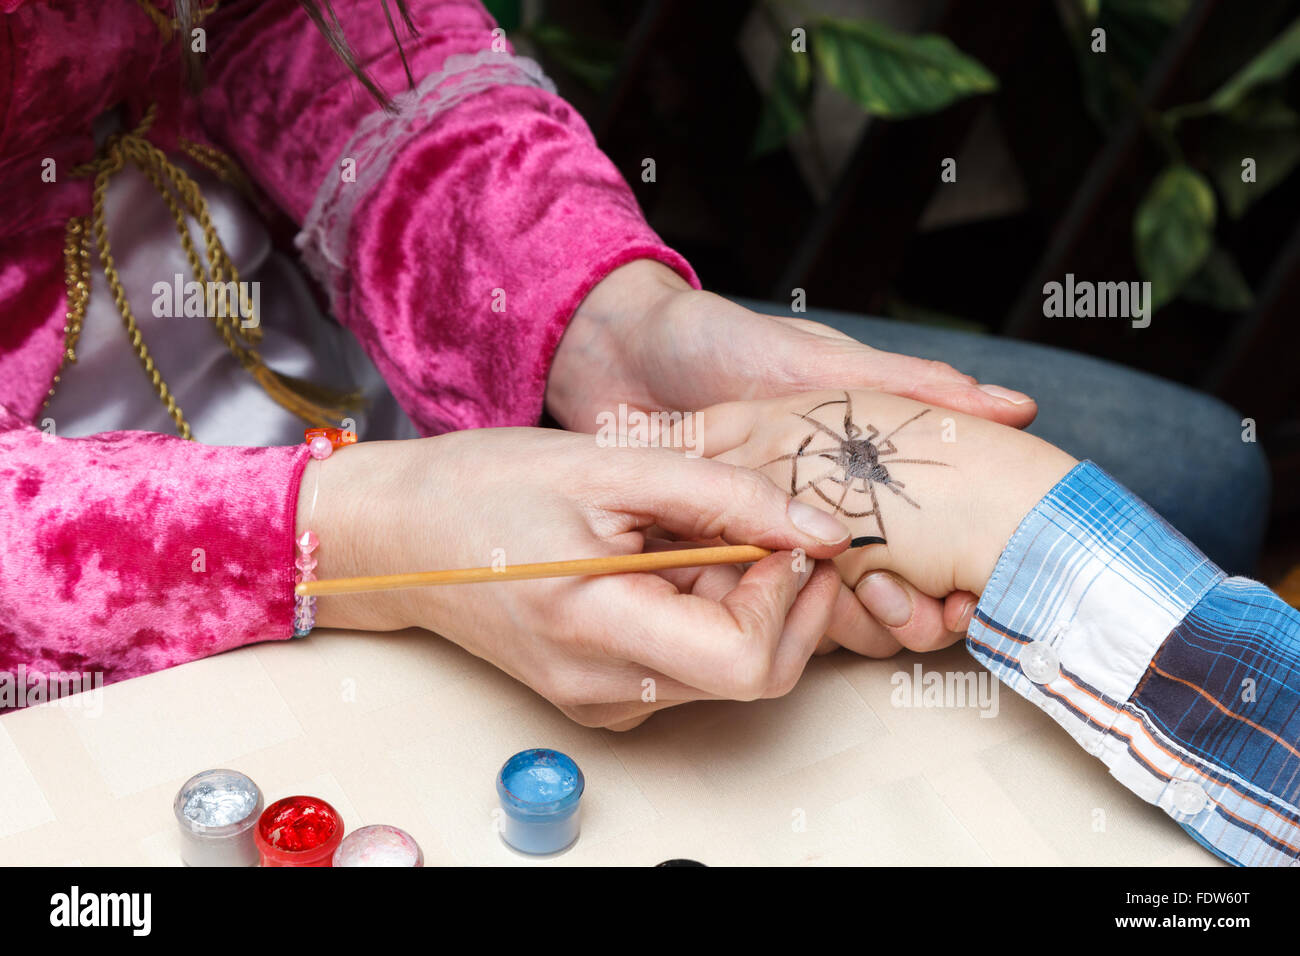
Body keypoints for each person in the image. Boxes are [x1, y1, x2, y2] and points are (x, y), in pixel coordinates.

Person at [0, 1, 1270, 742]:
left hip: (332, 363)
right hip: (92, 564)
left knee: (1191, 470)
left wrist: (606, 317)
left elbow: (295, 31)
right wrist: (368, 531)